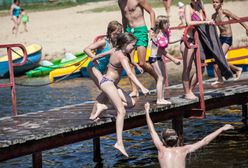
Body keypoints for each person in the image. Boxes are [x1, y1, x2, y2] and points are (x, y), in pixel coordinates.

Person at [90, 32, 149, 157]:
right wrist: (142, 87)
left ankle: (104, 107)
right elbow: (130, 74)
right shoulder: (122, 56)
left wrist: (95, 60)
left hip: (109, 83)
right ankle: (119, 143)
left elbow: (97, 56)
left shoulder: (115, 50)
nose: (134, 47)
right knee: (121, 112)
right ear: (125, 43)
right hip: (108, 83)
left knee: (131, 103)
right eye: (132, 45)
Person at [144, 102, 234, 168]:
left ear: (163, 141)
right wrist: (222, 129)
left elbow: (152, 131)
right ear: (178, 139)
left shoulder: (161, 149)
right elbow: (205, 141)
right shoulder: (184, 150)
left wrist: (147, 111)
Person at [118, 0, 158, 97]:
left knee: (142, 63)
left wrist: (152, 29)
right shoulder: (120, 2)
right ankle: (134, 90)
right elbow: (124, 17)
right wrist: (124, 33)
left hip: (140, 31)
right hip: (129, 32)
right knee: (130, 63)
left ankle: (158, 78)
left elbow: (152, 12)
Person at [180, 0, 214, 100]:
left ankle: (190, 89)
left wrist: (209, 21)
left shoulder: (201, 4)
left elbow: (205, 18)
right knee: (187, 68)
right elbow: (188, 22)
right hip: (189, 40)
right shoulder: (188, 7)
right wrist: (205, 22)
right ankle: (187, 93)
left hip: (199, 41)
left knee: (201, 67)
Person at [211, 0, 248, 86]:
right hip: (220, 38)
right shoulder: (213, 16)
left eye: (217, 2)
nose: (215, 4)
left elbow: (237, 18)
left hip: (228, 38)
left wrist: (246, 27)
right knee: (215, 60)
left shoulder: (225, 12)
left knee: (219, 58)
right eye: (213, 2)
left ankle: (237, 69)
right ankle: (221, 79)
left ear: (221, 3)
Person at [149, 15, 181, 105]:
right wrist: (174, 59)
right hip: (155, 58)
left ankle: (161, 98)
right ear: (162, 24)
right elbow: (161, 50)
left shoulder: (163, 33)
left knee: (164, 77)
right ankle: (159, 99)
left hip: (158, 58)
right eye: (167, 23)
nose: (169, 24)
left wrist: (180, 39)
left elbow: (168, 42)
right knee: (160, 78)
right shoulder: (159, 35)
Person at [84, 20, 123, 88]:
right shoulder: (104, 42)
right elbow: (86, 49)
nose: (117, 36)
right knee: (105, 88)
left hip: (105, 69)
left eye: (119, 34)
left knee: (110, 89)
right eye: (115, 34)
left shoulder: (117, 43)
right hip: (94, 68)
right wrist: (95, 58)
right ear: (109, 32)